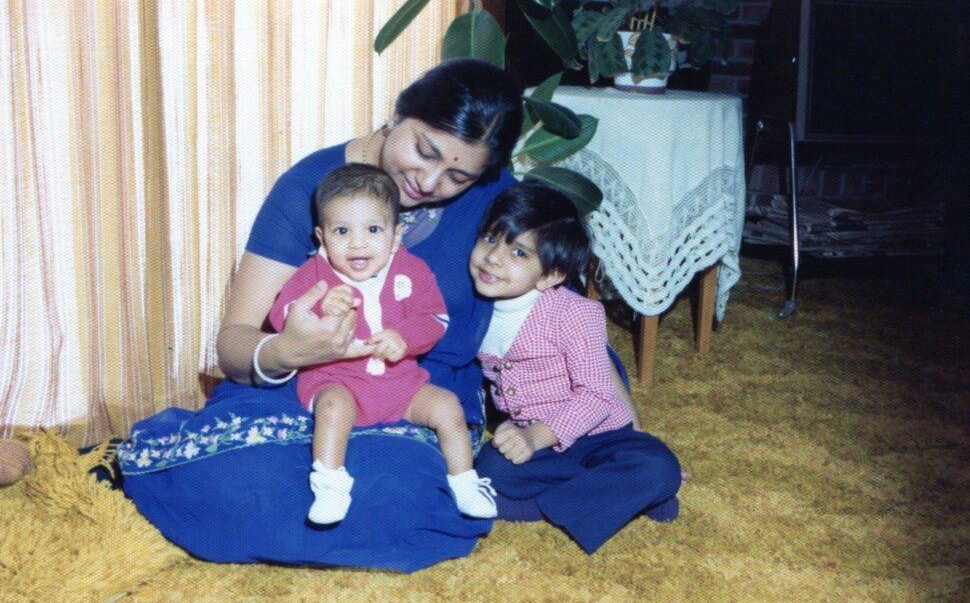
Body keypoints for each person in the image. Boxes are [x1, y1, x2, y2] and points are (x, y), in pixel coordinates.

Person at [118, 59, 643, 572]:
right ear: (397, 115)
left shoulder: (496, 199)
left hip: (418, 389)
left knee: (406, 504)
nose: (429, 180)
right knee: (231, 488)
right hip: (302, 380)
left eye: (457, 174)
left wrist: (631, 438)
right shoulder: (310, 187)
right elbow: (233, 342)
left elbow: (569, 315)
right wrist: (286, 350)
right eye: (423, 150)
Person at [266, 164, 495, 523]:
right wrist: (318, 308)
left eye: (373, 229)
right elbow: (282, 316)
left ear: (395, 235)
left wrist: (404, 338)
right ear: (322, 236)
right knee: (333, 409)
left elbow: (435, 318)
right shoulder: (313, 275)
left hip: (399, 384)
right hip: (337, 379)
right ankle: (330, 485)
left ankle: (465, 481)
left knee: (448, 406)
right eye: (342, 230)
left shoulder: (411, 270)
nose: (358, 243)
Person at [471, 182, 683, 554]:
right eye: (490, 238)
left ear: (551, 275)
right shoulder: (475, 307)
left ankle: (550, 506)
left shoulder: (575, 313)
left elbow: (598, 394)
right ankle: (622, 500)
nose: (493, 257)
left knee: (658, 466)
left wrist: (536, 435)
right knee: (490, 467)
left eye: (518, 252)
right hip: (541, 449)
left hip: (600, 433)